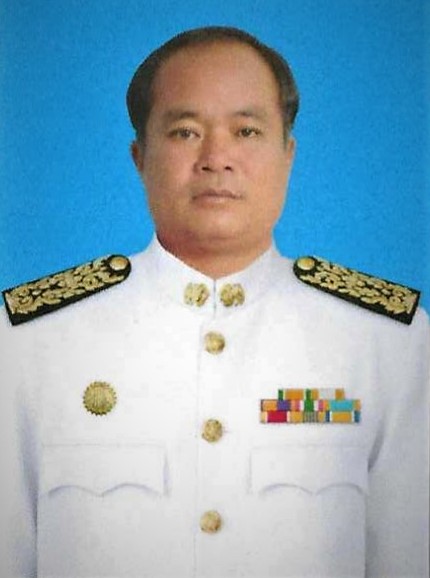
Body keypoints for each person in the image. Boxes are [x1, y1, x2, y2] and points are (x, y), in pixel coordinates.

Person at [0, 26, 428, 578]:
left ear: (288, 155)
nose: (216, 158)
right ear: (139, 157)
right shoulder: (29, 342)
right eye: (185, 132)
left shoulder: (387, 344)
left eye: (246, 131)